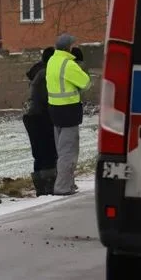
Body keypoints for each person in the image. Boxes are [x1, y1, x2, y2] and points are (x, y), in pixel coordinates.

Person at [46, 33, 91, 196]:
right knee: (68, 152)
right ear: (68, 47)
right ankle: (63, 187)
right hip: (69, 112)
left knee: (62, 150)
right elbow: (86, 83)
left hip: (54, 110)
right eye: (73, 45)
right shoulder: (68, 64)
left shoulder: (52, 60)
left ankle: (69, 184)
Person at [22, 47, 58, 196]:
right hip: (41, 116)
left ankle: (42, 186)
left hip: (32, 117)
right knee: (48, 151)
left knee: (39, 152)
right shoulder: (45, 74)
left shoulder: (37, 72)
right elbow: (46, 99)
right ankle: (47, 186)